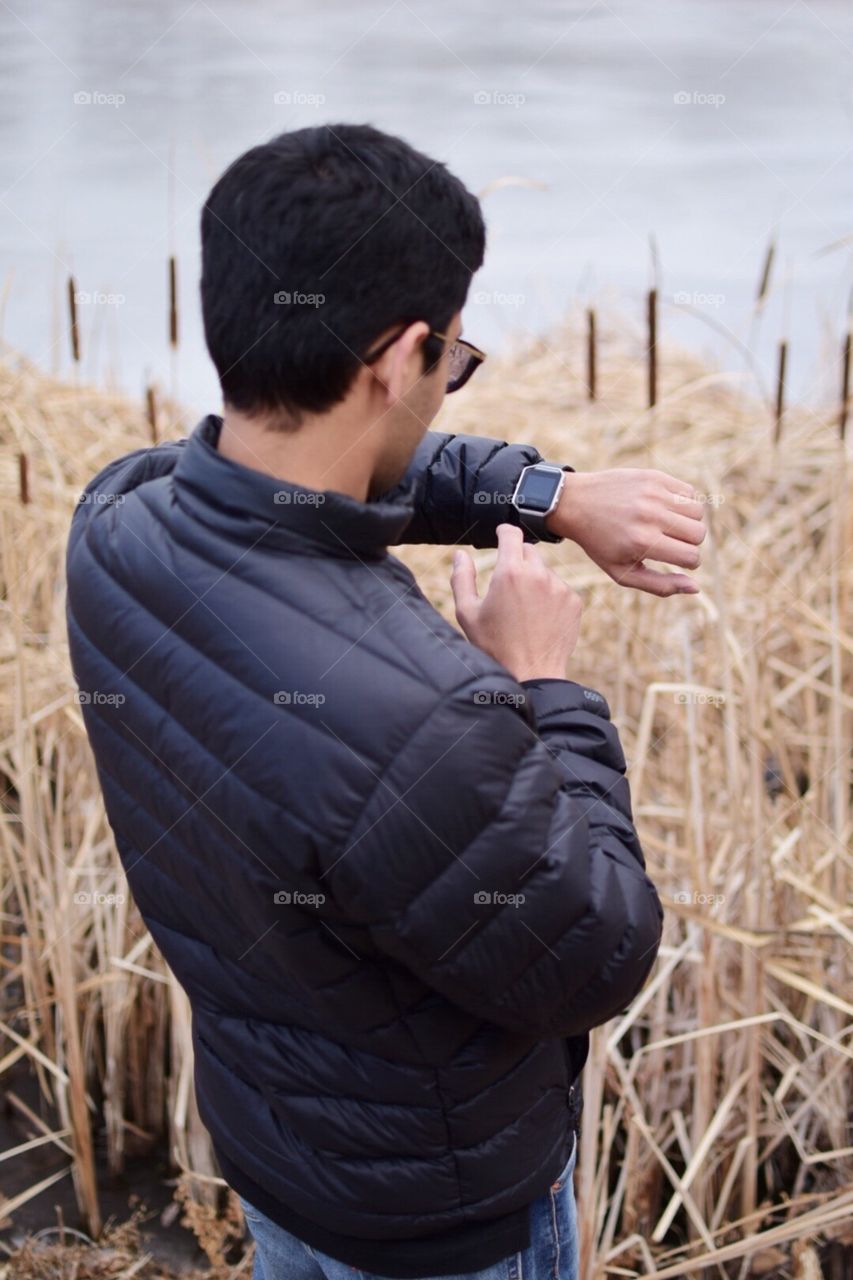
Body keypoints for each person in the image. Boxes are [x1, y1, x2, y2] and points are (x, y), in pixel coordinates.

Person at [66, 123, 705, 1280]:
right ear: (398, 356)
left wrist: (549, 493)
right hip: (440, 1220)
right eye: (452, 360)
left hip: (276, 1146)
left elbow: (309, 476)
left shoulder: (118, 524)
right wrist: (543, 686)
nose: (447, 377)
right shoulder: (430, 719)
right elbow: (599, 948)